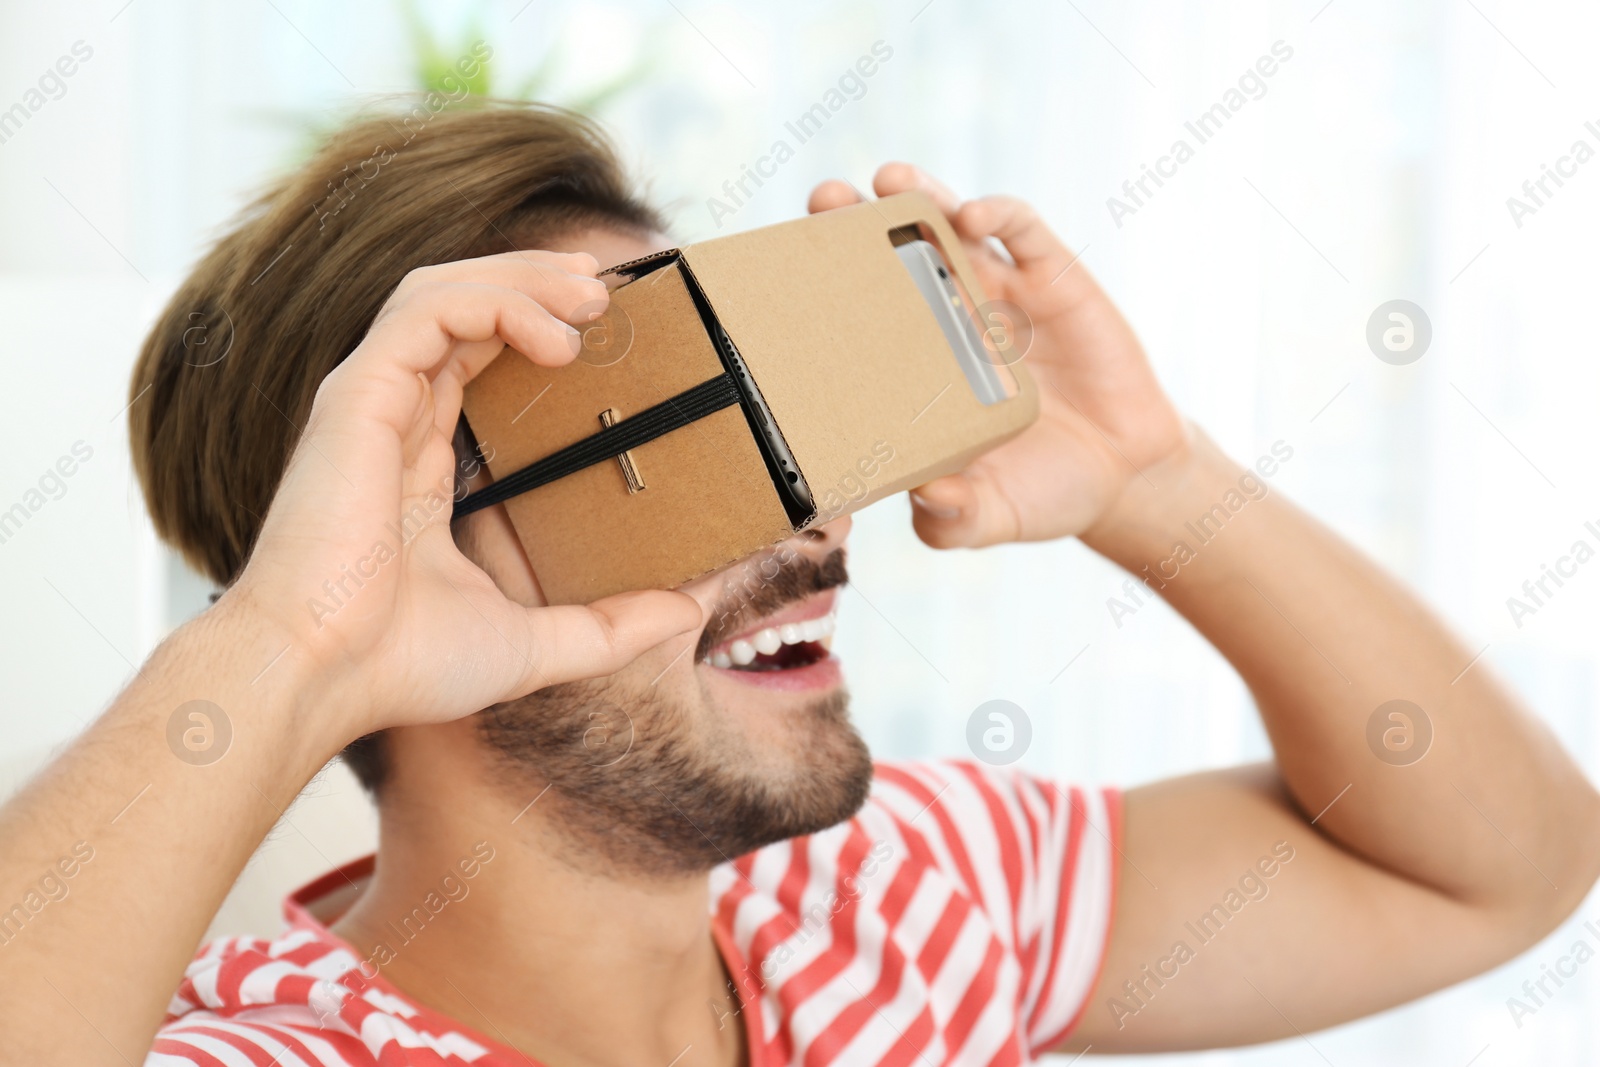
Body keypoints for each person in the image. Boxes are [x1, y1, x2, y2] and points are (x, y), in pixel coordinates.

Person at [1, 101, 1595, 1067]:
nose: (817, 519)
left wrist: (1160, 482)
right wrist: (292, 636)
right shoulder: (264, 1046)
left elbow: (1492, 874)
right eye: (651, 449)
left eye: (754, 403)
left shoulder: (907, 894)